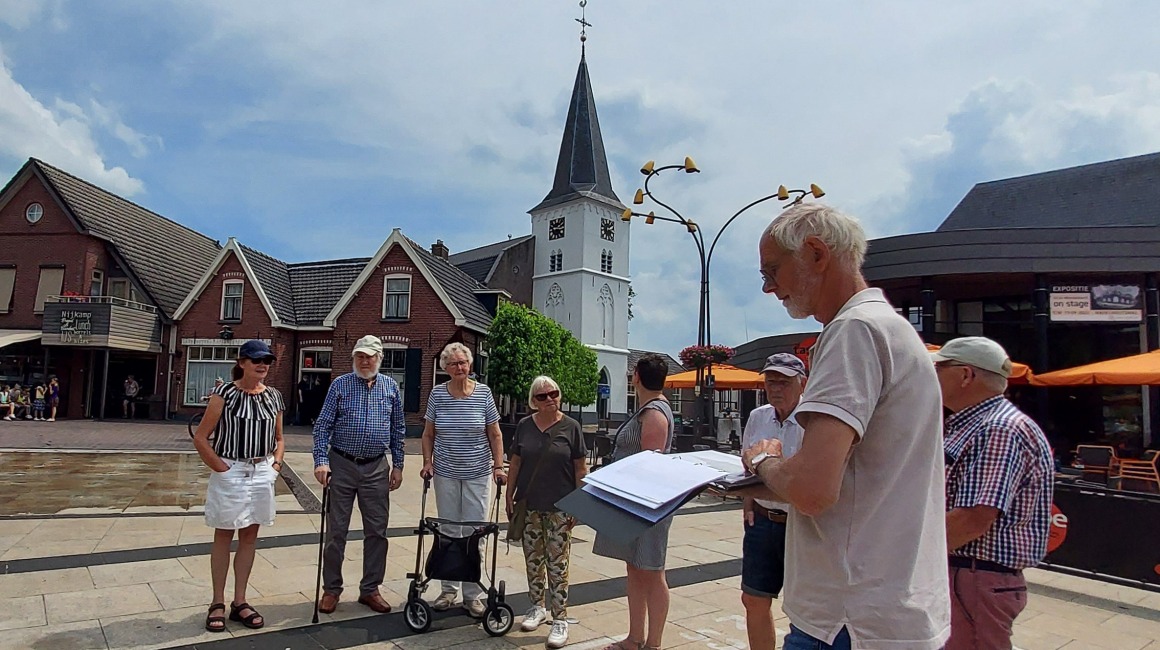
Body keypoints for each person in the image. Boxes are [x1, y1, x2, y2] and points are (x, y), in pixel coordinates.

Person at [741, 203, 950, 649]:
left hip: (847, 617)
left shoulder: (852, 330)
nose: (768, 288)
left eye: (772, 271)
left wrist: (762, 461)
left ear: (816, 254)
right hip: (888, 606)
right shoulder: (891, 328)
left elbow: (813, 491)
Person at [932, 337, 1054, 649]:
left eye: (938, 368)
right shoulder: (980, 424)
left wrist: (910, 557)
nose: (932, 375)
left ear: (965, 375)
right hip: (970, 576)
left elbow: (974, 518)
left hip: (973, 576)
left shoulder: (997, 428)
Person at [192, 340, 285, 633]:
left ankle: (240, 600)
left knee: (250, 535)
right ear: (242, 362)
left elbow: (279, 437)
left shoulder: (274, 396)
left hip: (262, 470)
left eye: (267, 360)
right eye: (256, 360)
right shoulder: (224, 394)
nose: (262, 365)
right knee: (224, 534)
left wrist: (276, 465)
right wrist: (221, 468)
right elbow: (201, 437)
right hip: (232, 467)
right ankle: (217, 601)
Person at [313, 335, 406, 615]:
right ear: (354, 358)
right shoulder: (340, 385)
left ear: (380, 358)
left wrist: (398, 465)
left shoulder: (391, 387)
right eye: (360, 357)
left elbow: (398, 429)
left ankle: (370, 589)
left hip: (376, 466)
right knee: (336, 531)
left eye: (370, 357)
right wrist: (321, 461)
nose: (365, 362)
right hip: (341, 463)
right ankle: (331, 589)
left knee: (377, 531)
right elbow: (322, 426)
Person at [593, 354, 675, 650]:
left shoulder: (654, 412)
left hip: (647, 505)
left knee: (651, 571)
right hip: (632, 502)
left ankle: (653, 643)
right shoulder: (646, 409)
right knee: (635, 568)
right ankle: (635, 637)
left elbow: (649, 465)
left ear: (636, 377)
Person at [419, 342, 506, 617]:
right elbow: (428, 434)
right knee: (448, 530)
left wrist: (498, 466)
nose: (459, 367)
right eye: (453, 363)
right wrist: (427, 462)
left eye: (463, 362)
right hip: (446, 472)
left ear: (470, 365)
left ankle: (472, 594)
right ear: (445, 367)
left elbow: (495, 433)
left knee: (474, 532)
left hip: (477, 473)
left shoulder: (483, 393)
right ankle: (448, 589)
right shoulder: (437, 394)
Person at [506, 375, 586, 649]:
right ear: (534, 401)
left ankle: (560, 617)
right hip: (529, 504)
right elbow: (515, 463)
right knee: (533, 560)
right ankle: (536, 606)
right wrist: (510, 494)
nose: (550, 399)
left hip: (560, 507)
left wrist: (579, 503)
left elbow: (580, 468)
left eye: (554, 393)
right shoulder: (525, 426)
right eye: (542, 396)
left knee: (558, 563)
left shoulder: (571, 427)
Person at [739, 353, 807, 650]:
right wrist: (748, 500)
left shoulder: (812, 420)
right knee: (753, 597)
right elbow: (747, 463)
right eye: (770, 381)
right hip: (763, 518)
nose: (776, 388)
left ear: (802, 384)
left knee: (803, 606)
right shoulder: (759, 416)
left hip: (801, 523)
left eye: (784, 382)